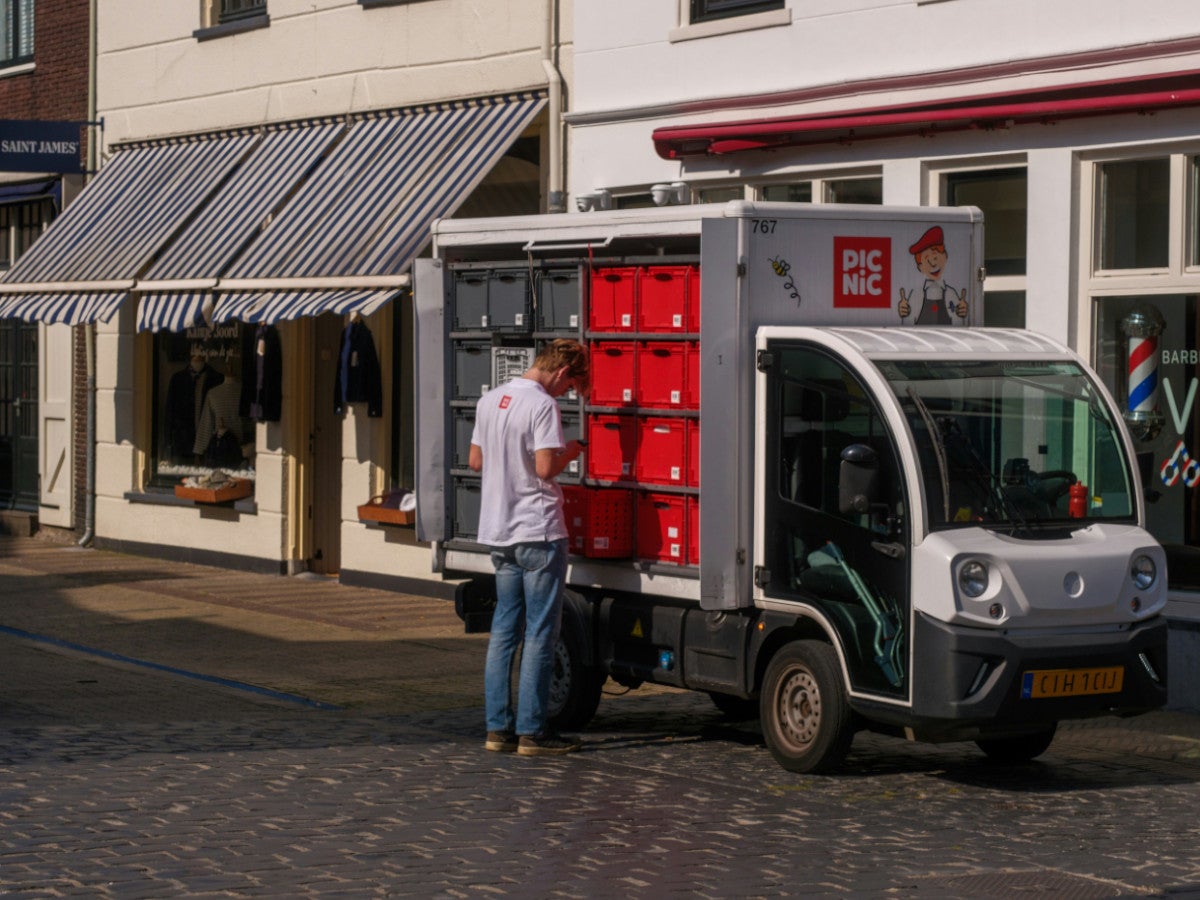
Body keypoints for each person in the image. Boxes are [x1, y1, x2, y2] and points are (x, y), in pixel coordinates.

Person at [469, 339, 590, 757]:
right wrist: (570, 451)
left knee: (504, 631)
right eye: (569, 384)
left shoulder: (489, 400)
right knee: (541, 633)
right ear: (561, 372)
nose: (565, 392)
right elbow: (544, 468)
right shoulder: (542, 406)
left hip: (499, 532)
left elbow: (475, 462)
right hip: (538, 530)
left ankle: (496, 729)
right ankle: (533, 732)